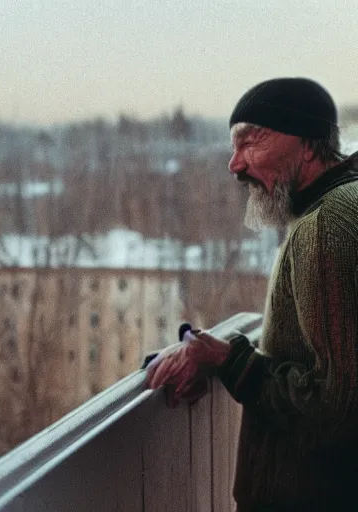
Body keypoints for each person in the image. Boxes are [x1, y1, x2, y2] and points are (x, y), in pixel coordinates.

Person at [145, 77, 358, 511]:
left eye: (250, 142)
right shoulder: (342, 205)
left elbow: (337, 402)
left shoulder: (326, 225)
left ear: (308, 145)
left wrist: (230, 361)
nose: (234, 165)